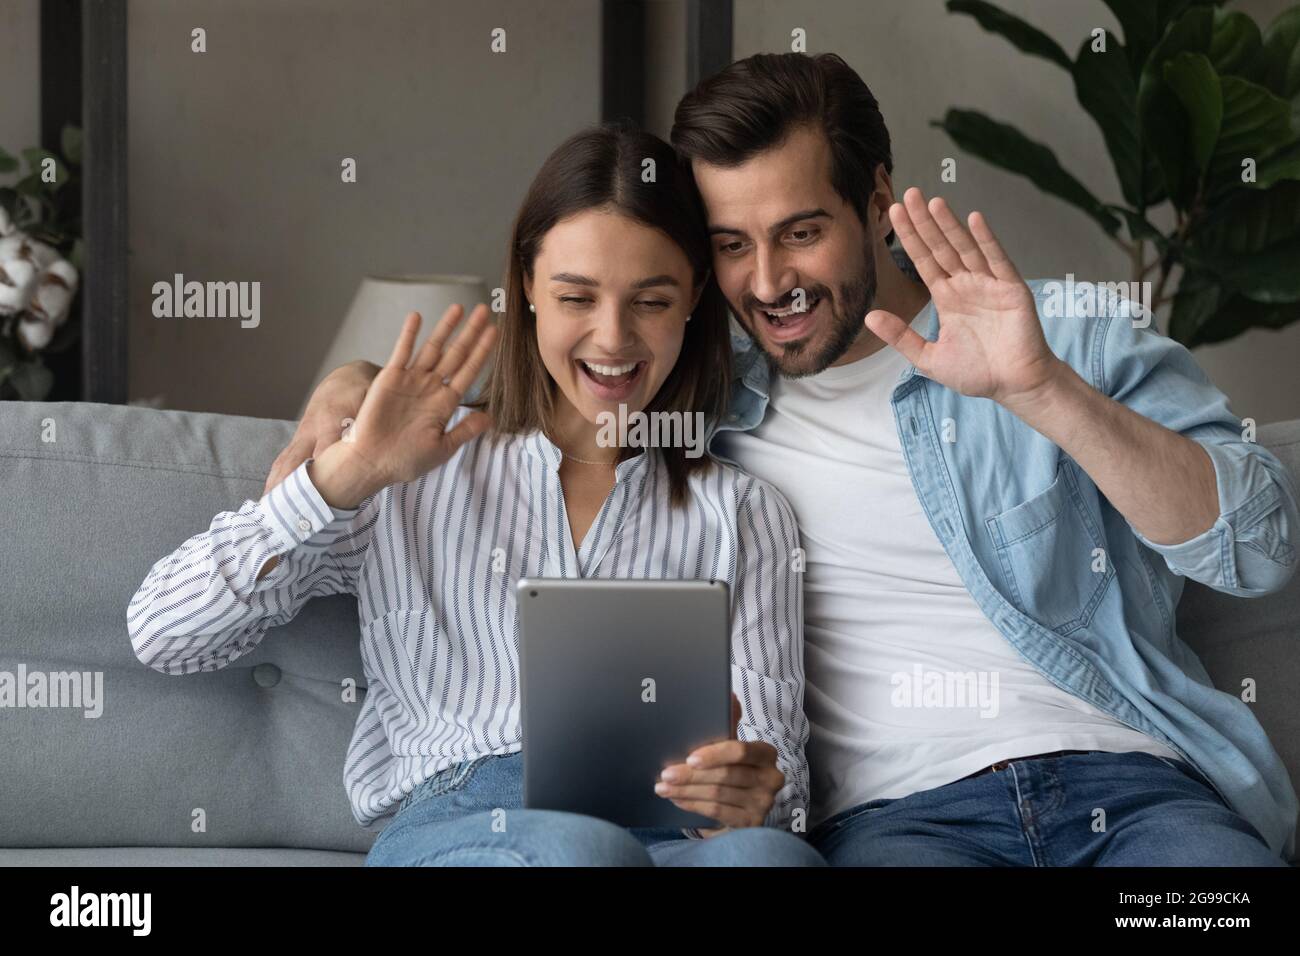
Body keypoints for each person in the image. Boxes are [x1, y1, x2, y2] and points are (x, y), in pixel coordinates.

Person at [295, 54, 1299, 866]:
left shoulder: (1064, 334)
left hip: (1136, 791)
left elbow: (1256, 547)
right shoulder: (701, 397)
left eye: (800, 232)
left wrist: (1043, 391)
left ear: (875, 199)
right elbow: (547, 394)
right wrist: (350, 378)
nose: (767, 282)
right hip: (904, 823)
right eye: (730, 245)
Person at [128, 122, 821, 867]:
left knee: (771, 862)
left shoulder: (745, 514)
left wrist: (750, 795)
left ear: (692, 298)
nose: (612, 338)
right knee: (578, 850)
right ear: (527, 287)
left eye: (650, 301)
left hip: (663, 832)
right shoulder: (408, 467)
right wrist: (341, 479)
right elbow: (164, 636)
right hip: (464, 815)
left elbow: (779, 775)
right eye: (576, 296)